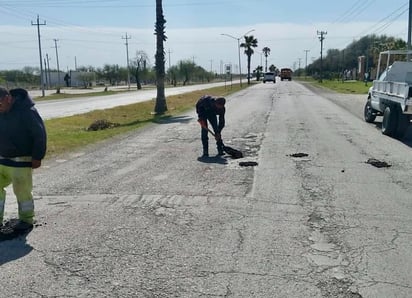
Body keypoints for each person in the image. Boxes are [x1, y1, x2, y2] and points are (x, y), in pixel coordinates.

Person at [0, 87, 47, 231]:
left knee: (22, 191)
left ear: (8, 98)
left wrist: (37, 157)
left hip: (21, 161)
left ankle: (26, 220)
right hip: (2, 159)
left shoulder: (27, 111)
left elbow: (39, 134)